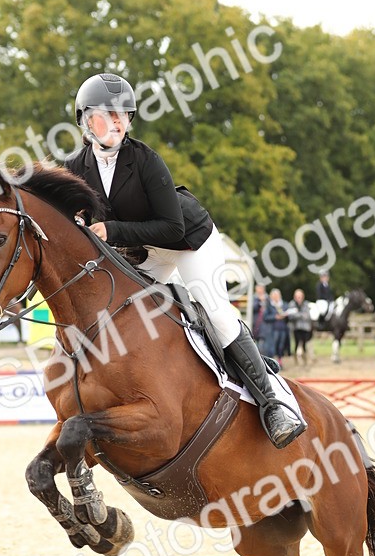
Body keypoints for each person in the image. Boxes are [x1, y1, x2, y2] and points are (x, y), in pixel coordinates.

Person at [65, 72, 305, 448]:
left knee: (215, 310)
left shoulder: (145, 161)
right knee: (120, 309)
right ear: (85, 121)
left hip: (188, 241)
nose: (115, 122)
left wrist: (112, 231)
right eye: (105, 115)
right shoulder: (76, 166)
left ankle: (272, 403)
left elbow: (170, 226)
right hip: (144, 251)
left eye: (122, 115)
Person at [262, 288, 291, 364]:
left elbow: (288, 317)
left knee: (281, 347)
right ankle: (272, 363)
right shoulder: (269, 305)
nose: (276, 297)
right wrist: (275, 317)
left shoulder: (284, 304)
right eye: (274, 296)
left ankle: (280, 362)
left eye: (277, 295)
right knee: (272, 347)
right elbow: (265, 317)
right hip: (273, 329)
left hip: (282, 329)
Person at [286, 289, 313, 363]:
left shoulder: (306, 304)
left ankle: (305, 359)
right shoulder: (292, 304)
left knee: (304, 343)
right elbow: (291, 315)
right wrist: (301, 315)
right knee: (297, 343)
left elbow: (307, 316)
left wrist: (298, 314)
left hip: (305, 328)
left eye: (300, 297)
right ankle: (296, 360)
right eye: (297, 297)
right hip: (296, 328)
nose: (299, 298)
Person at [251, 283, 268, 348]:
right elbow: (252, 308)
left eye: (261, 289)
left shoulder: (267, 298)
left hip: (264, 325)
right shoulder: (253, 298)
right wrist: (259, 301)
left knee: (262, 345)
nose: (260, 290)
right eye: (258, 289)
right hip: (255, 324)